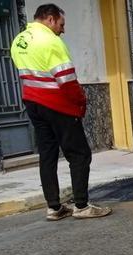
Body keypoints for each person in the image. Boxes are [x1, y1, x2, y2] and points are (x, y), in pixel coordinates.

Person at [10, 3, 111, 220]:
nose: (62, 29)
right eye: (61, 24)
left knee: (47, 155)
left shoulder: (19, 40)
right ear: (50, 19)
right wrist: (81, 102)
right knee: (79, 154)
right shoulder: (51, 41)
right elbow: (66, 80)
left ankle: (54, 208)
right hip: (57, 104)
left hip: (33, 104)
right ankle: (82, 206)